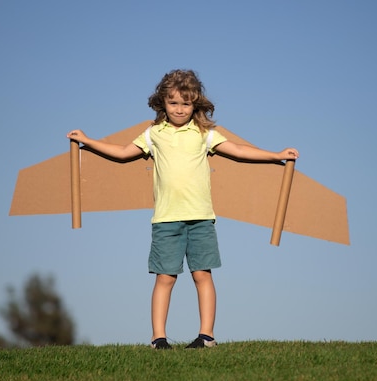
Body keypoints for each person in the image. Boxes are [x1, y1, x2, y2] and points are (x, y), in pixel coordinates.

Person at [67, 69, 299, 349]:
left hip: (201, 219)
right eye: (173, 102)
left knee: (203, 275)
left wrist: (275, 155)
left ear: (195, 105)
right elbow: (123, 152)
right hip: (166, 220)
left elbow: (238, 150)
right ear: (162, 103)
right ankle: (158, 338)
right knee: (165, 278)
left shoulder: (204, 134)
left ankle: (206, 336)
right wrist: (88, 141)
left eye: (186, 104)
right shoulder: (154, 135)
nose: (179, 109)